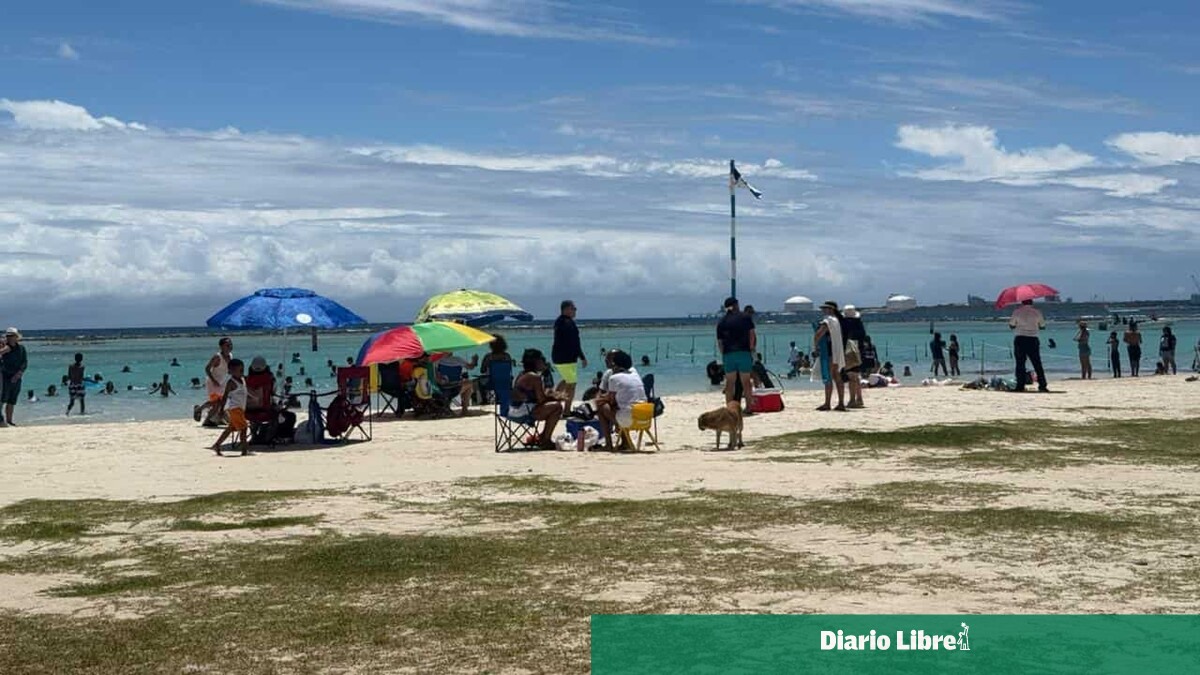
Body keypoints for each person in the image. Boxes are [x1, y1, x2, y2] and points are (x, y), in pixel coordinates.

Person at [511, 349, 563, 449]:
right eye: (542, 359)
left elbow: (534, 397)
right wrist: (554, 397)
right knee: (557, 407)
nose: (544, 361)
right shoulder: (535, 377)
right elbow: (541, 400)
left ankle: (543, 436)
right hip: (522, 412)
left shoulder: (522, 374)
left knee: (554, 405)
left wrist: (550, 396)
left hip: (513, 410)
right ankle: (545, 440)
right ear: (536, 361)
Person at [595, 350, 647, 451]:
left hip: (629, 418)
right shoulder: (635, 375)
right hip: (644, 416)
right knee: (620, 408)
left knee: (601, 407)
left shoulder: (614, 378)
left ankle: (609, 444)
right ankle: (625, 442)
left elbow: (611, 400)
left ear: (614, 364)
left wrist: (598, 400)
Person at [716, 297, 756, 409]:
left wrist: (723, 353)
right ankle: (748, 407)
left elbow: (720, 342)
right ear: (736, 305)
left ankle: (730, 408)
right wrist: (751, 347)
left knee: (730, 383)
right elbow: (752, 334)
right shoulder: (745, 317)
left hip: (729, 354)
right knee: (746, 382)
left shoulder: (721, 322)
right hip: (743, 352)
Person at [551, 300, 588, 407]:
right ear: (566, 309)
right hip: (565, 359)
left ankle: (554, 401)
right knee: (571, 384)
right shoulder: (567, 323)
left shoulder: (560, 321)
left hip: (562, 357)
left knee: (567, 380)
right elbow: (575, 342)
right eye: (574, 309)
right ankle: (566, 411)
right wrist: (582, 357)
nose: (575, 311)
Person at [210, 358, 249, 456]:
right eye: (239, 371)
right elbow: (225, 397)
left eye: (242, 370)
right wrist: (221, 410)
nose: (241, 372)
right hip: (235, 409)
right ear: (231, 371)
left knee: (230, 428)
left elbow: (245, 392)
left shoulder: (243, 380)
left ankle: (217, 445)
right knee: (244, 428)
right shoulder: (231, 382)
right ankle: (244, 450)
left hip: (241, 409)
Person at [1008, 300, 1048, 393]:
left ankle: (1020, 385)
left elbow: (1011, 325)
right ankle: (1042, 385)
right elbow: (1042, 326)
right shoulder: (1037, 312)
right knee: (1037, 363)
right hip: (1033, 339)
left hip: (1020, 339)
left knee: (1020, 363)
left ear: (1022, 303)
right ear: (1032, 303)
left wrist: (1018, 325)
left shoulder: (1017, 312)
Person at [813, 301, 846, 411]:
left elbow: (819, 334)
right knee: (837, 376)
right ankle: (841, 402)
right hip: (836, 352)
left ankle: (827, 403)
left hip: (828, 351)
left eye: (825, 308)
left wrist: (815, 345)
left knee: (828, 377)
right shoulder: (837, 320)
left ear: (831, 309)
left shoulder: (827, 321)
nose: (823, 310)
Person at [196, 337, 233, 427]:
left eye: (231, 345)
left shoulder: (231, 356)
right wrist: (214, 380)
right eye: (227, 345)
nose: (230, 347)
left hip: (222, 382)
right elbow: (207, 368)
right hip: (213, 382)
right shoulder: (217, 357)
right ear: (221, 347)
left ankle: (210, 419)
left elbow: (228, 369)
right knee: (217, 402)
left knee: (221, 402)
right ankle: (199, 409)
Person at [1, 328, 28, 427]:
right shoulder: (5, 348)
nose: (10, 338)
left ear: (16, 337)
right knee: (3, 399)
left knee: (12, 400)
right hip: (5, 376)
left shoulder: (21, 348)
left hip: (17, 376)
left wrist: (19, 374)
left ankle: (9, 420)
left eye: (12, 336)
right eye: (8, 336)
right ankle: (1, 420)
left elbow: (24, 363)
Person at [840, 305, 866, 409]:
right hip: (858, 352)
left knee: (851, 376)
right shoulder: (859, 325)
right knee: (856, 376)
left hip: (849, 352)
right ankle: (859, 398)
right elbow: (863, 337)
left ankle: (852, 400)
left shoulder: (845, 325)